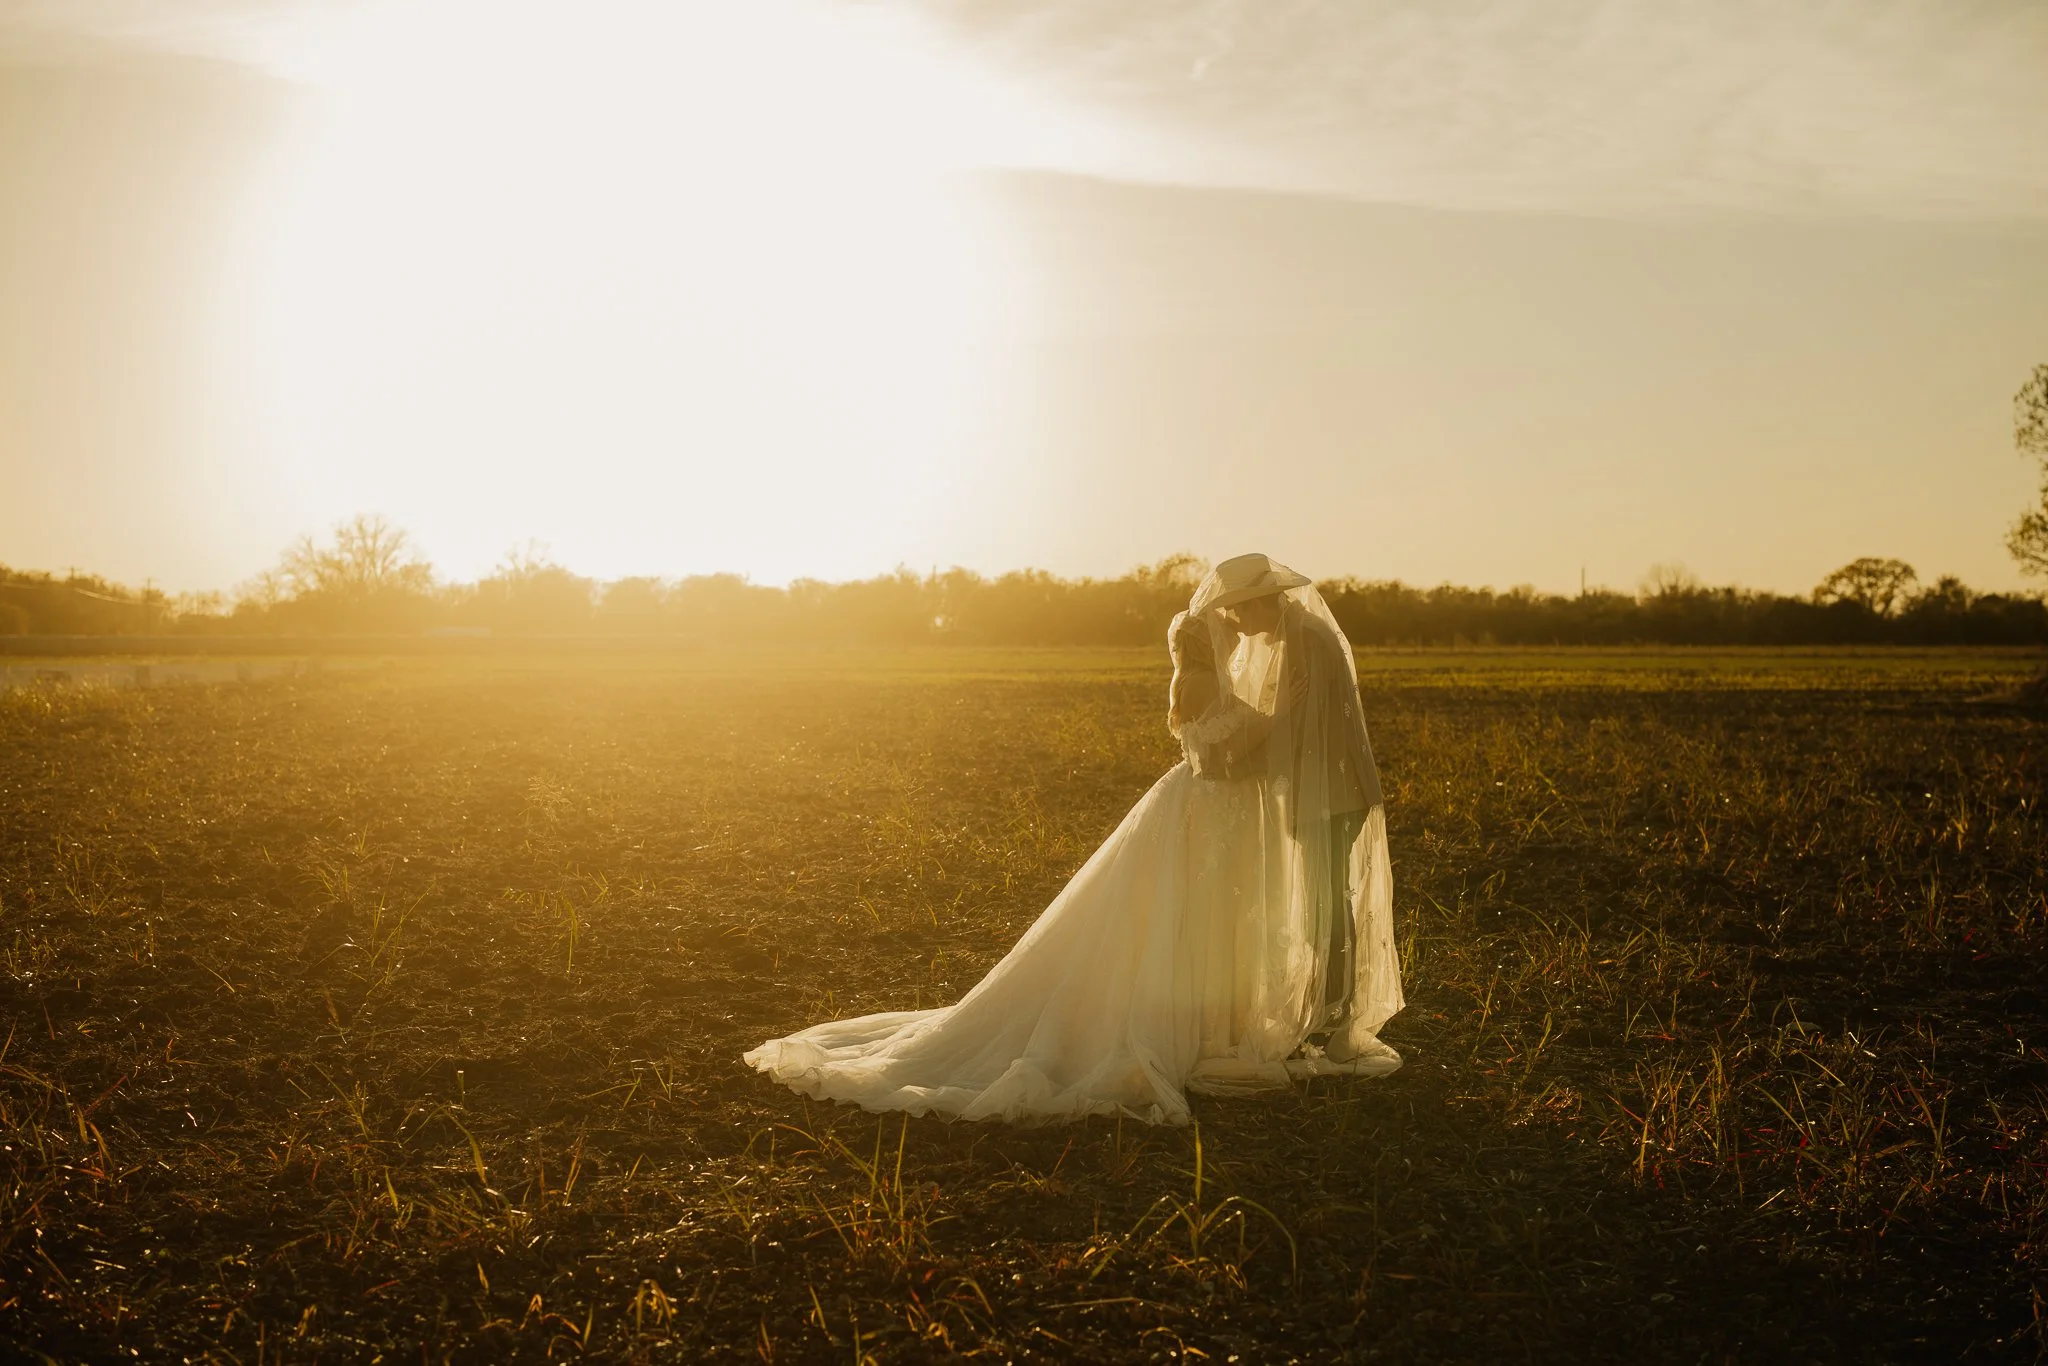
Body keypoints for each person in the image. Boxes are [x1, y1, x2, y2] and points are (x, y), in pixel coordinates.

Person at [743, 555, 1402, 1124]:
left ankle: (1295, 1019)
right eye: (1225, 626)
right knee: (1204, 915)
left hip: (1264, 804)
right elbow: (1234, 746)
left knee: (1239, 913)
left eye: (1237, 618)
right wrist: (1275, 722)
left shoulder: (1295, 645)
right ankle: (1283, 1023)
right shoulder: (1203, 683)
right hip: (1214, 807)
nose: (1237, 634)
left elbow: (1273, 738)